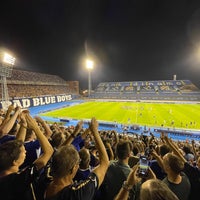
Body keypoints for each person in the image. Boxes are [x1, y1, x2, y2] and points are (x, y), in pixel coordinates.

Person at [44, 117, 109, 200]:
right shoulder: (77, 194)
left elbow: (59, 153)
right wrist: (95, 131)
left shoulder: (46, 176)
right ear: (74, 168)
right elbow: (105, 163)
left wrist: (76, 132)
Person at [0, 112, 54, 200]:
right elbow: (49, 152)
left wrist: (24, 125)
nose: (25, 151)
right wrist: (35, 128)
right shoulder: (18, 180)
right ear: (15, 161)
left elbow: (18, 144)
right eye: (23, 152)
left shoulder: (5, 172)